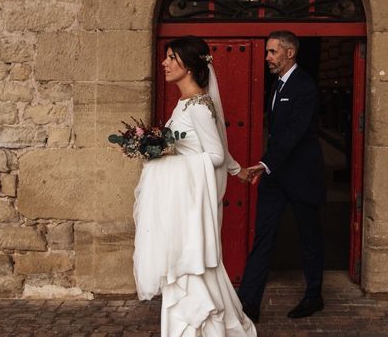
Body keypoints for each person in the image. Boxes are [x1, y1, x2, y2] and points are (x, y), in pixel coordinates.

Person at [133, 36, 257, 337]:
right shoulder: (187, 102)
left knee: (188, 261)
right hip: (183, 199)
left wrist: (167, 163)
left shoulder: (199, 106)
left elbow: (213, 154)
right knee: (183, 261)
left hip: (189, 202)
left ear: (188, 65)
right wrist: (238, 169)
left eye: (171, 57)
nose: (164, 62)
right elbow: (213, 149)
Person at [237, 30, 326, 321]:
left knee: (309, 238)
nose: (267, 58)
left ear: (290, 53)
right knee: (263, 236)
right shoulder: (276, 85)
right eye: (267, 52)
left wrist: (264, 164)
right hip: (276, 177)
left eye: (272, 52)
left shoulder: (305, 86)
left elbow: (294, 134)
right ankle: (249, 303)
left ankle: (314, 296)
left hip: (302, 176)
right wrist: (269, 167)